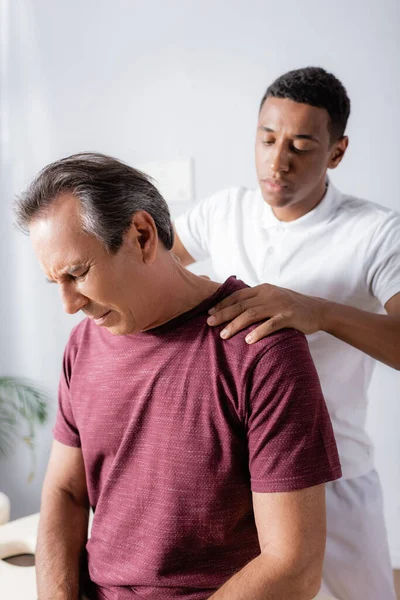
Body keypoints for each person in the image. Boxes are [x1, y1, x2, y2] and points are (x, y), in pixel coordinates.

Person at [15, 152, 341, 600]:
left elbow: (293, 565)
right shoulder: (83, 345)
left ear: (142, 236)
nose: (69, 305)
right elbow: (66, 492)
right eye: (57, 283)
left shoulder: (262, 350)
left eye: (78, 273)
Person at [173, 66, 400, 600]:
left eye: (300, 145)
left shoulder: (376, 233)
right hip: (232, 472)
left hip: (337, 471)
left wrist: (317, 311)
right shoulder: (221, 212)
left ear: (337, 152)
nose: (278, 162)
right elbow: (155, 278)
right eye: (267, 139)